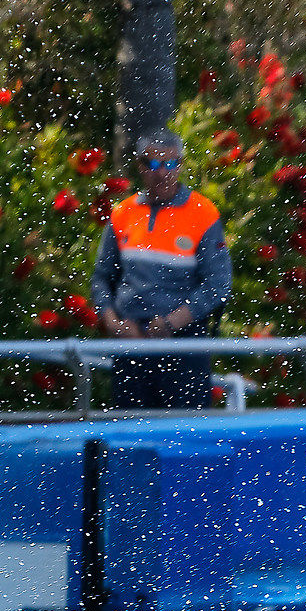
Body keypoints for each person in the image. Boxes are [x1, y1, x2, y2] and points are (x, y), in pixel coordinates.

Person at [89, 129, 230, 410]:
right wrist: (113, 323)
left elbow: (218, 285)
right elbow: (102, 277)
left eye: (171, 164)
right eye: (154, 165)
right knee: (130, 440)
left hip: (183, 346)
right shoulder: (123, 213)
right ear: (141, 167)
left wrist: (171, 323)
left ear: (180, 165)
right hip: (130, 344)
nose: (163, 173)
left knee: (186, 439)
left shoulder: (203, 212)